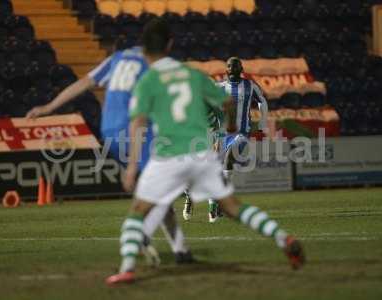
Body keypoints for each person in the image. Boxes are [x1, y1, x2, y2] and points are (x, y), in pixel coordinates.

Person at [106, 17, 305, 286]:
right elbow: (226, 103)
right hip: (202, 153)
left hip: (168, 154)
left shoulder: (147, 81)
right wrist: (233, 124)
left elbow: (137, 123)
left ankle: (128, 268)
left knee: (138, 211)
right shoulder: (193, 74)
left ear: (144, 51)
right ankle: (285, 239)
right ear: (170, 44)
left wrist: (131, 167)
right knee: (235, 207)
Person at [26, 46, 193, 264]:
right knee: (163, 189)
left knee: (156, 192)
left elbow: (84, 83)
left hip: (110, 131)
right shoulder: (154, 63)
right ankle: (141, 233)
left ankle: (181, 251)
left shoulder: (118, 57)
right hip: (136, 128)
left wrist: (49, 107)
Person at [183, 57, 269, 223]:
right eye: (230, 65)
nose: (233, 67)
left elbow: (262, 102)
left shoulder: (250, 85)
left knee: (229, 159)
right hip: (220, 134)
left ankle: (216, 203)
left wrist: (262, 124)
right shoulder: (219, 87)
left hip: (241, 132)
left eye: (236, 65)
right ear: (226, 69)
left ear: (241, 68)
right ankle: (190, 195)